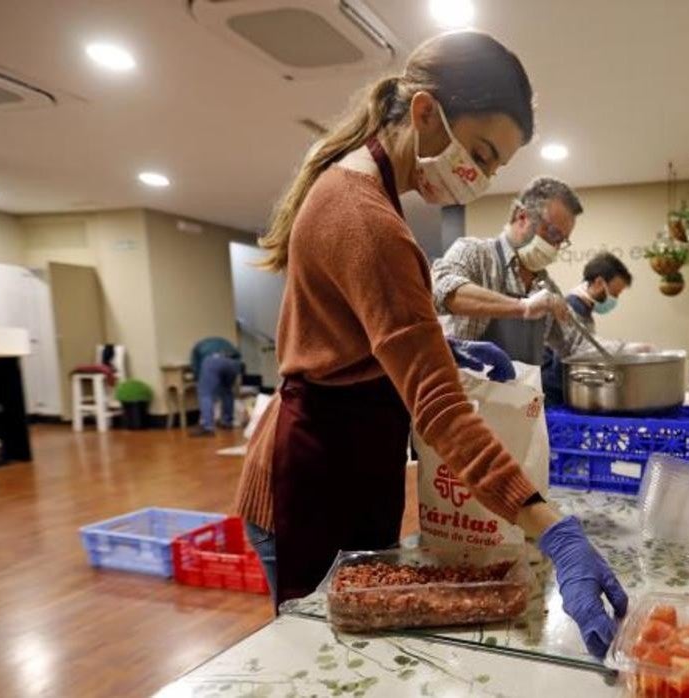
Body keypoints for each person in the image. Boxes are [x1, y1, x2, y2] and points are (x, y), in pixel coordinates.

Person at [231, 31, 626, 658]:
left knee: (360, 647)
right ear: (423, 113)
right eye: (480, 151)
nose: (481, 175)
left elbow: (351, 335)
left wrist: (438, 349)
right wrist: (554, 529)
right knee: (321, 658)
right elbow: (439, 410)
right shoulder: (367, 216)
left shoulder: (361, 187)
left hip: (349, 458)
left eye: (495, 166)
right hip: (314, 475)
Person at [431, 176, 581, 365]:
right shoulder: (475, 254)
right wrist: (523, 307)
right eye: (552, 234)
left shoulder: (547, 288)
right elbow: (441, 290)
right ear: (522, 217)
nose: (555, 247)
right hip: (468, 391)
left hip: (527, 392)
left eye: (562, 241)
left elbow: (576, 344)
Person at [540, 252, 643, 405]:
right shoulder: (571, 309)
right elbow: (574, 355)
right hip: (553, 397)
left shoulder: (584, 311)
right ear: (599, 283)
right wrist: (626, 349)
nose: (614, 300)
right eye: (614, 294)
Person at [188, 336, 243, 436]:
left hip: (212, 361)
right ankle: (227, 421)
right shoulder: (224, 342)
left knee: (205, 394)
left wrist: (199, 380)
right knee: (227, 391)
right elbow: (238, 355)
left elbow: (196, 368)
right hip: (234, 362)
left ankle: (207, 426)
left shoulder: (197, 348)